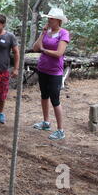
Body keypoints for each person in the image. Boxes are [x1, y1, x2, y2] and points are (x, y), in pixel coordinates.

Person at [32, 8, 70, 140]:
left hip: (55, 72)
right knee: (44, 96)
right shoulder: (47, 32)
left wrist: (44, 50)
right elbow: (35, 48)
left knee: (55, 100)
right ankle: (46, 122)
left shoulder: (63, 33)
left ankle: (60, 130)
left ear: (58, 21)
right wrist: (42, 34)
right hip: (43, 69)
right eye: (48, 18)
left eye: (51, 18)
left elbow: (59, 53)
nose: (49, 20)